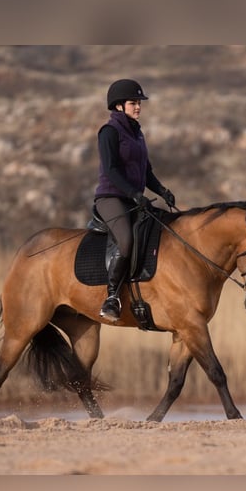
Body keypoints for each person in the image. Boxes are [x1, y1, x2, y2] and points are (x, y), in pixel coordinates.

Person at [94, 78, 176, 322]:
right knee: (127, 240)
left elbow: (146, 172)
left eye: (139, 102)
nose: (138, 106)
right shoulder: (109, 132)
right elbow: (111, 169)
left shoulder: (138, 134)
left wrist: (162, 191)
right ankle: (111, 298)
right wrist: (134, 194)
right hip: (111, 198)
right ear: (119, 106)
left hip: (133, 199)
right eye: (133, 102)